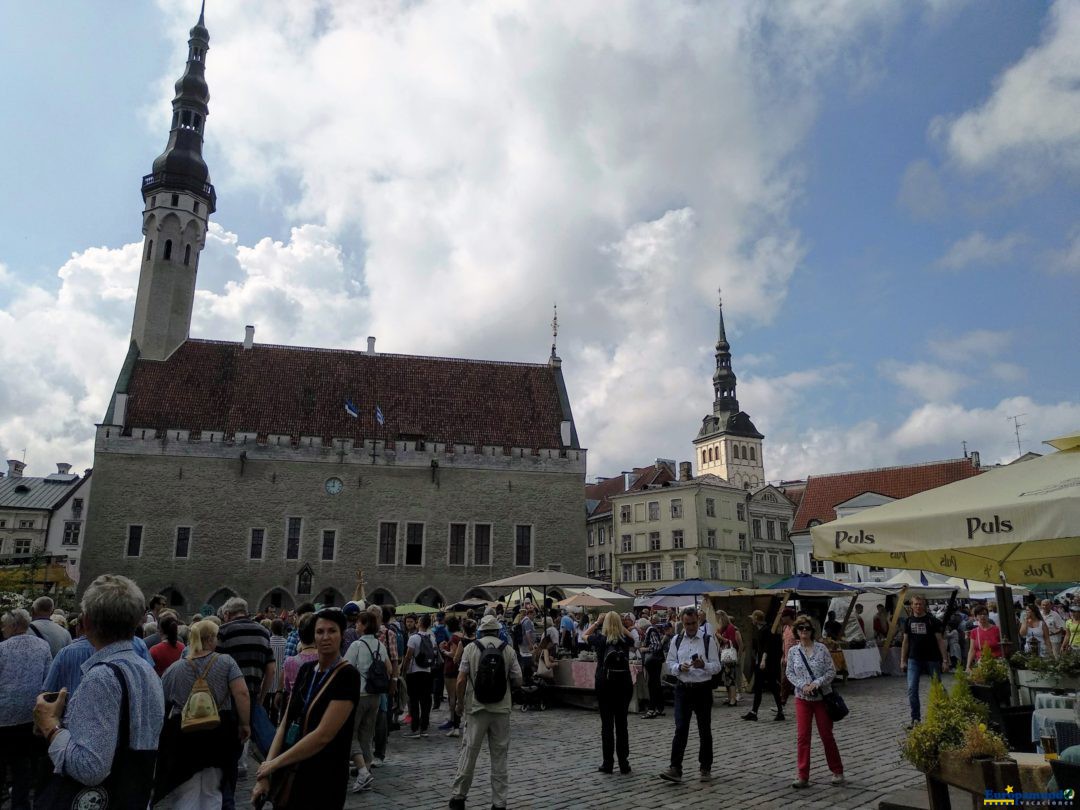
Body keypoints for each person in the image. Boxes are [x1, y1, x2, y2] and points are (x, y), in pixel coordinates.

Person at [33, 574, 164, 808]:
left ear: (85, 622)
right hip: (133, 794)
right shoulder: (147, 670)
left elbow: (90, 768)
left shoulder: (102, 677)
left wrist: (50, 725)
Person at [252, 608, 360, 810]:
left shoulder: (348, 676)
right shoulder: (306, 670)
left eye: (332, 631)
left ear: (342, 635)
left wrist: (274, 764)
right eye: (320, 632)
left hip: (323, 776)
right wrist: (266, 772)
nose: (325, 637)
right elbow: (284, 723)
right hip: (291, 770)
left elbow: (323, 735)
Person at [155, 619, 250, 808]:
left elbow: (160, 701)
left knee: (185, 789)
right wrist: (244, 723)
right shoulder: (226, 662)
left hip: (184, 733)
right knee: (212, 789)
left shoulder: (175, 668)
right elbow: (242, 693)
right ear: (210, 639)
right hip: (218, 731)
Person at [448, 614, 523, 810]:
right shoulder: (508, 650)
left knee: (469, 752)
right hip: (501, 709)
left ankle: (458, 796)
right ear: (498, 630)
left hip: (476, 708)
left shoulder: (471, 648)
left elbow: (461, 680)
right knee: (499, 755)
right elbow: (519, 680)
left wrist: (459, 705)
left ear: (481, 630)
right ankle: (499, 802)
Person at [216, 597, 274, 805]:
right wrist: (262, 694)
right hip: (253, 696)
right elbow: (271, 668)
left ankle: (227, 800)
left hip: (228, 701)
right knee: (267, 745)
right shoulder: (262, 632)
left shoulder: (223, 631)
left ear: (228, 614)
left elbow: (217, 667)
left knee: (228, 754)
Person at [658, 606, 720, 784]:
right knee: (680, 728)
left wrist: (704, 666)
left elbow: (717, 666)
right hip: (683, 688)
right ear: (682, 622)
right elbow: (669, 663)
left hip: (702, 689)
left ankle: (705, 767)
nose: (691, 627)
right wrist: (679, 667)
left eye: (693, 623)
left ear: (698, 621)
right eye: (687, 624)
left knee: (704, 730)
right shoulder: (677, 640)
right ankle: (675, 768)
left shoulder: (708, 640)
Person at [0, 609, 52, 810]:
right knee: (22, 765)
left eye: (4, 625)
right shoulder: (43, 646)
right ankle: (20, 804)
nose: (2, 629)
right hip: (30, 715)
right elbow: (47, 681)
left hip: (3, 716)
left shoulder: (2, 649)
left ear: (13, 626)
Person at [785, 617, 844, 789]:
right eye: (801, 628)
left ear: (812, 631)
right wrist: (803, 685)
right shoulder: (793, 651)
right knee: (803, 737)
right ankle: (802, 775)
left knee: (826, 735)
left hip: (821, 697)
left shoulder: (822, 649)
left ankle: (837, 770)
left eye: (807, 628)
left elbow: (831, 671)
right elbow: (789, 673)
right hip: (802, 698)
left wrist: (817, 683)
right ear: (796, 631)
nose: (804, 631)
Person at [343, 610, 388, 794]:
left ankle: (362, 772)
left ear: (365, 625)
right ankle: (367, 771)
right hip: (375, 696)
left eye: (359, 623)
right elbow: (389, 667)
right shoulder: (380, 644)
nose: (356, 625)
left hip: (359, 695)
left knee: (349, 734)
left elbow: (345, 668)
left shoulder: (356, 645)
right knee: (367, 734)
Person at [586, 611, 635, 774]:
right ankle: (623, 763)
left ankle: (608, 763)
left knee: (607, 724)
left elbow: (584, 635)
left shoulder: (601, 639)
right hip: (623, 683)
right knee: (622, 724)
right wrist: (620, 626)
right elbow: (634, 639)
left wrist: (597, 622)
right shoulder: (624, 640)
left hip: (604, 683)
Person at [900, 595, 949, 727]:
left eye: (920, 604)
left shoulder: (932, 621)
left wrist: (945, 660)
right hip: (913, 659)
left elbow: (940, 641)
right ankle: (915, 718)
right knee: (912, 688)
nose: (918, 606)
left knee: (937, 686)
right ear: (911, 605)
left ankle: (944, 712)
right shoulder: (908, 621)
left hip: (932, 658)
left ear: (924, 605)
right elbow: (905, 642)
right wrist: (902, 660)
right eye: (915, 604)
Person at [743, 609, 784, 722]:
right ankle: (755, 712)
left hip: (766, 664)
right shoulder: (764, 629)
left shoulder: (766, 630)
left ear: (756, 619)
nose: (751, 620)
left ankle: (776, 711)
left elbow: (766, 647)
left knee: (767, 687)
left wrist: (763, 661)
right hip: (764, 663)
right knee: (764, 687)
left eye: (753, 618)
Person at [402, 612, 437, 738]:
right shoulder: (432, 638)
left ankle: (415, 728)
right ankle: (424, 728)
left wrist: (404, 670)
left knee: (414, 700)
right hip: (427, 672)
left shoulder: (413, 638)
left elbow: (408, 656)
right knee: (426, 701)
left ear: (419, 623)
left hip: (414, 673)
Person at [438, 616, 464, 735]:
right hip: (459, 668)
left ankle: (453, 720)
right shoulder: (462, 635)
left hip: (451, 668)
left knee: (452, 696)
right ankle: (455, 720)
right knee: (457, 695)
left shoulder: (454, 637)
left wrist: (442, 650)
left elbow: (453, 654)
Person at [715, 610, 742, 707]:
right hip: (724, 656)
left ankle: (733, 699)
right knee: (727, 679)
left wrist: (720, 637)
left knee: (731, 678)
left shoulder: (731, 628)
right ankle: (730, 697)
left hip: (729, 657)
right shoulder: (723, 628)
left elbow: (730, 641)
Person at [642, 618, 667, 718]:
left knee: (653, 684)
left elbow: (656, 646)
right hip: (656, 661)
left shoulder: (650, 631)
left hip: (653, 662)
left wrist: (645, 649)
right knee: (656, 684)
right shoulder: (652, 630)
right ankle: (659, 708)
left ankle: (652, 709)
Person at [965, 605, 1003, 671]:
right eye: (980, 614)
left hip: (997, 664)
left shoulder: (997, 629)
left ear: (988, 616)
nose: (982, 616)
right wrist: (968, 666)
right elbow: (972, 650)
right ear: (976, 617)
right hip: (981, 665)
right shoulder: (974, 632)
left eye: (985, 614)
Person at [431, 611, 450, 711]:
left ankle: (437, 699)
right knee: (439, 679)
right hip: (442, 656)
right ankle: (437, 700)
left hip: (434, 656)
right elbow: (449, 640)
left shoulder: (432, 629)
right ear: (443, 618)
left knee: (436, 679)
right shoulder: (444, 629)